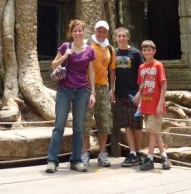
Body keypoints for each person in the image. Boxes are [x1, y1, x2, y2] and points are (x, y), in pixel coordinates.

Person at [45, 19, 96, 173]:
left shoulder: (90, 50)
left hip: (82, 91)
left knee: (78, 128)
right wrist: (65, 56)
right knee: (59, 126)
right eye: (75, 30)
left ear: (84, 32)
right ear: (71, 33)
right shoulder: (65, 47)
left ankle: (76, 160)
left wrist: (92, 92)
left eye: (80, 30)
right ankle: (52, 160)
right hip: (64, 90)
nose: (78, 33)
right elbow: (54, 65)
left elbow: (91, 72)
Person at [82, 20, 115, 168]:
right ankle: (84, 153)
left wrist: (112, 89)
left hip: (103, 87)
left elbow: (112, 70)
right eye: (99, 31)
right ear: (95, 31)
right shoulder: (87, 45)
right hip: (87, 87)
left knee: (104, 121)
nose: (101, 33)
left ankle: (102, 153)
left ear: (107, 33)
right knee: (85, 121)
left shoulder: (110, 48)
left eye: (104, 31)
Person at [135, 40, 171, 170]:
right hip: (146, 104)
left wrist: (161, 102)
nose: (146, 52)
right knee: (155, 131)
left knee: (151, 131)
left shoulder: (158, 65)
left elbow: (163, 84)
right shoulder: (141, 68)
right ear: (142, 52)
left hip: (156, 104)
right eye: (144, 50)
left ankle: (150, 158)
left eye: (149, 50)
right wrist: (139, 100)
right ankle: (164, 157)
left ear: (154, 51)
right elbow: (142, 86)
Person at [111, 26, 145, 167]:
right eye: (119, 36)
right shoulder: (114, 52)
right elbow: (112, 72)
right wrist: (111, 90)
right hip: (120, 93)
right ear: (115, 38)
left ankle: (138, 152)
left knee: (137, 125)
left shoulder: (135, 53)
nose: (121, 38)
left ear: (128, 37)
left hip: (134, 93)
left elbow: (143, 73)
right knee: (126, 125)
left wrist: (140, 92)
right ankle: (132, 153)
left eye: (124, 36)